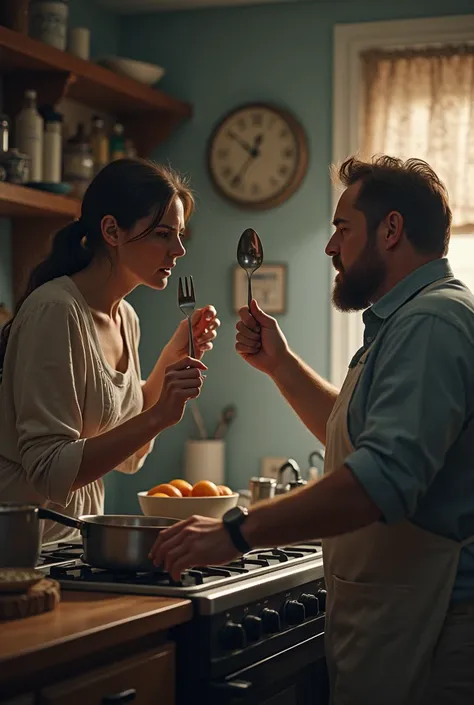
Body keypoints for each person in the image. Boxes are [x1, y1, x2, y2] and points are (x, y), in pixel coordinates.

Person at [151, 155, 474, 705]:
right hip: (405, 618)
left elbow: (379, 479)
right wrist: (280, 365)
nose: (330, 248)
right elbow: (348, 433)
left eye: (341, 229)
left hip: (433, 629)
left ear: (390, 230)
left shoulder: (430, 323)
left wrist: (234, 531)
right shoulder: (412, 317)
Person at [0, 158, 219, 542]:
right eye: (163, 234)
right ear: (112, 230)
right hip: (25, 552)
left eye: (180, 234)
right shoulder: (56, 311)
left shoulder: (126, 318)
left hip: (76, 545)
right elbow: (50, 470)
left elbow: (126, 453)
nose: (179, 249)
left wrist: (170, 358)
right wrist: (160, 416)